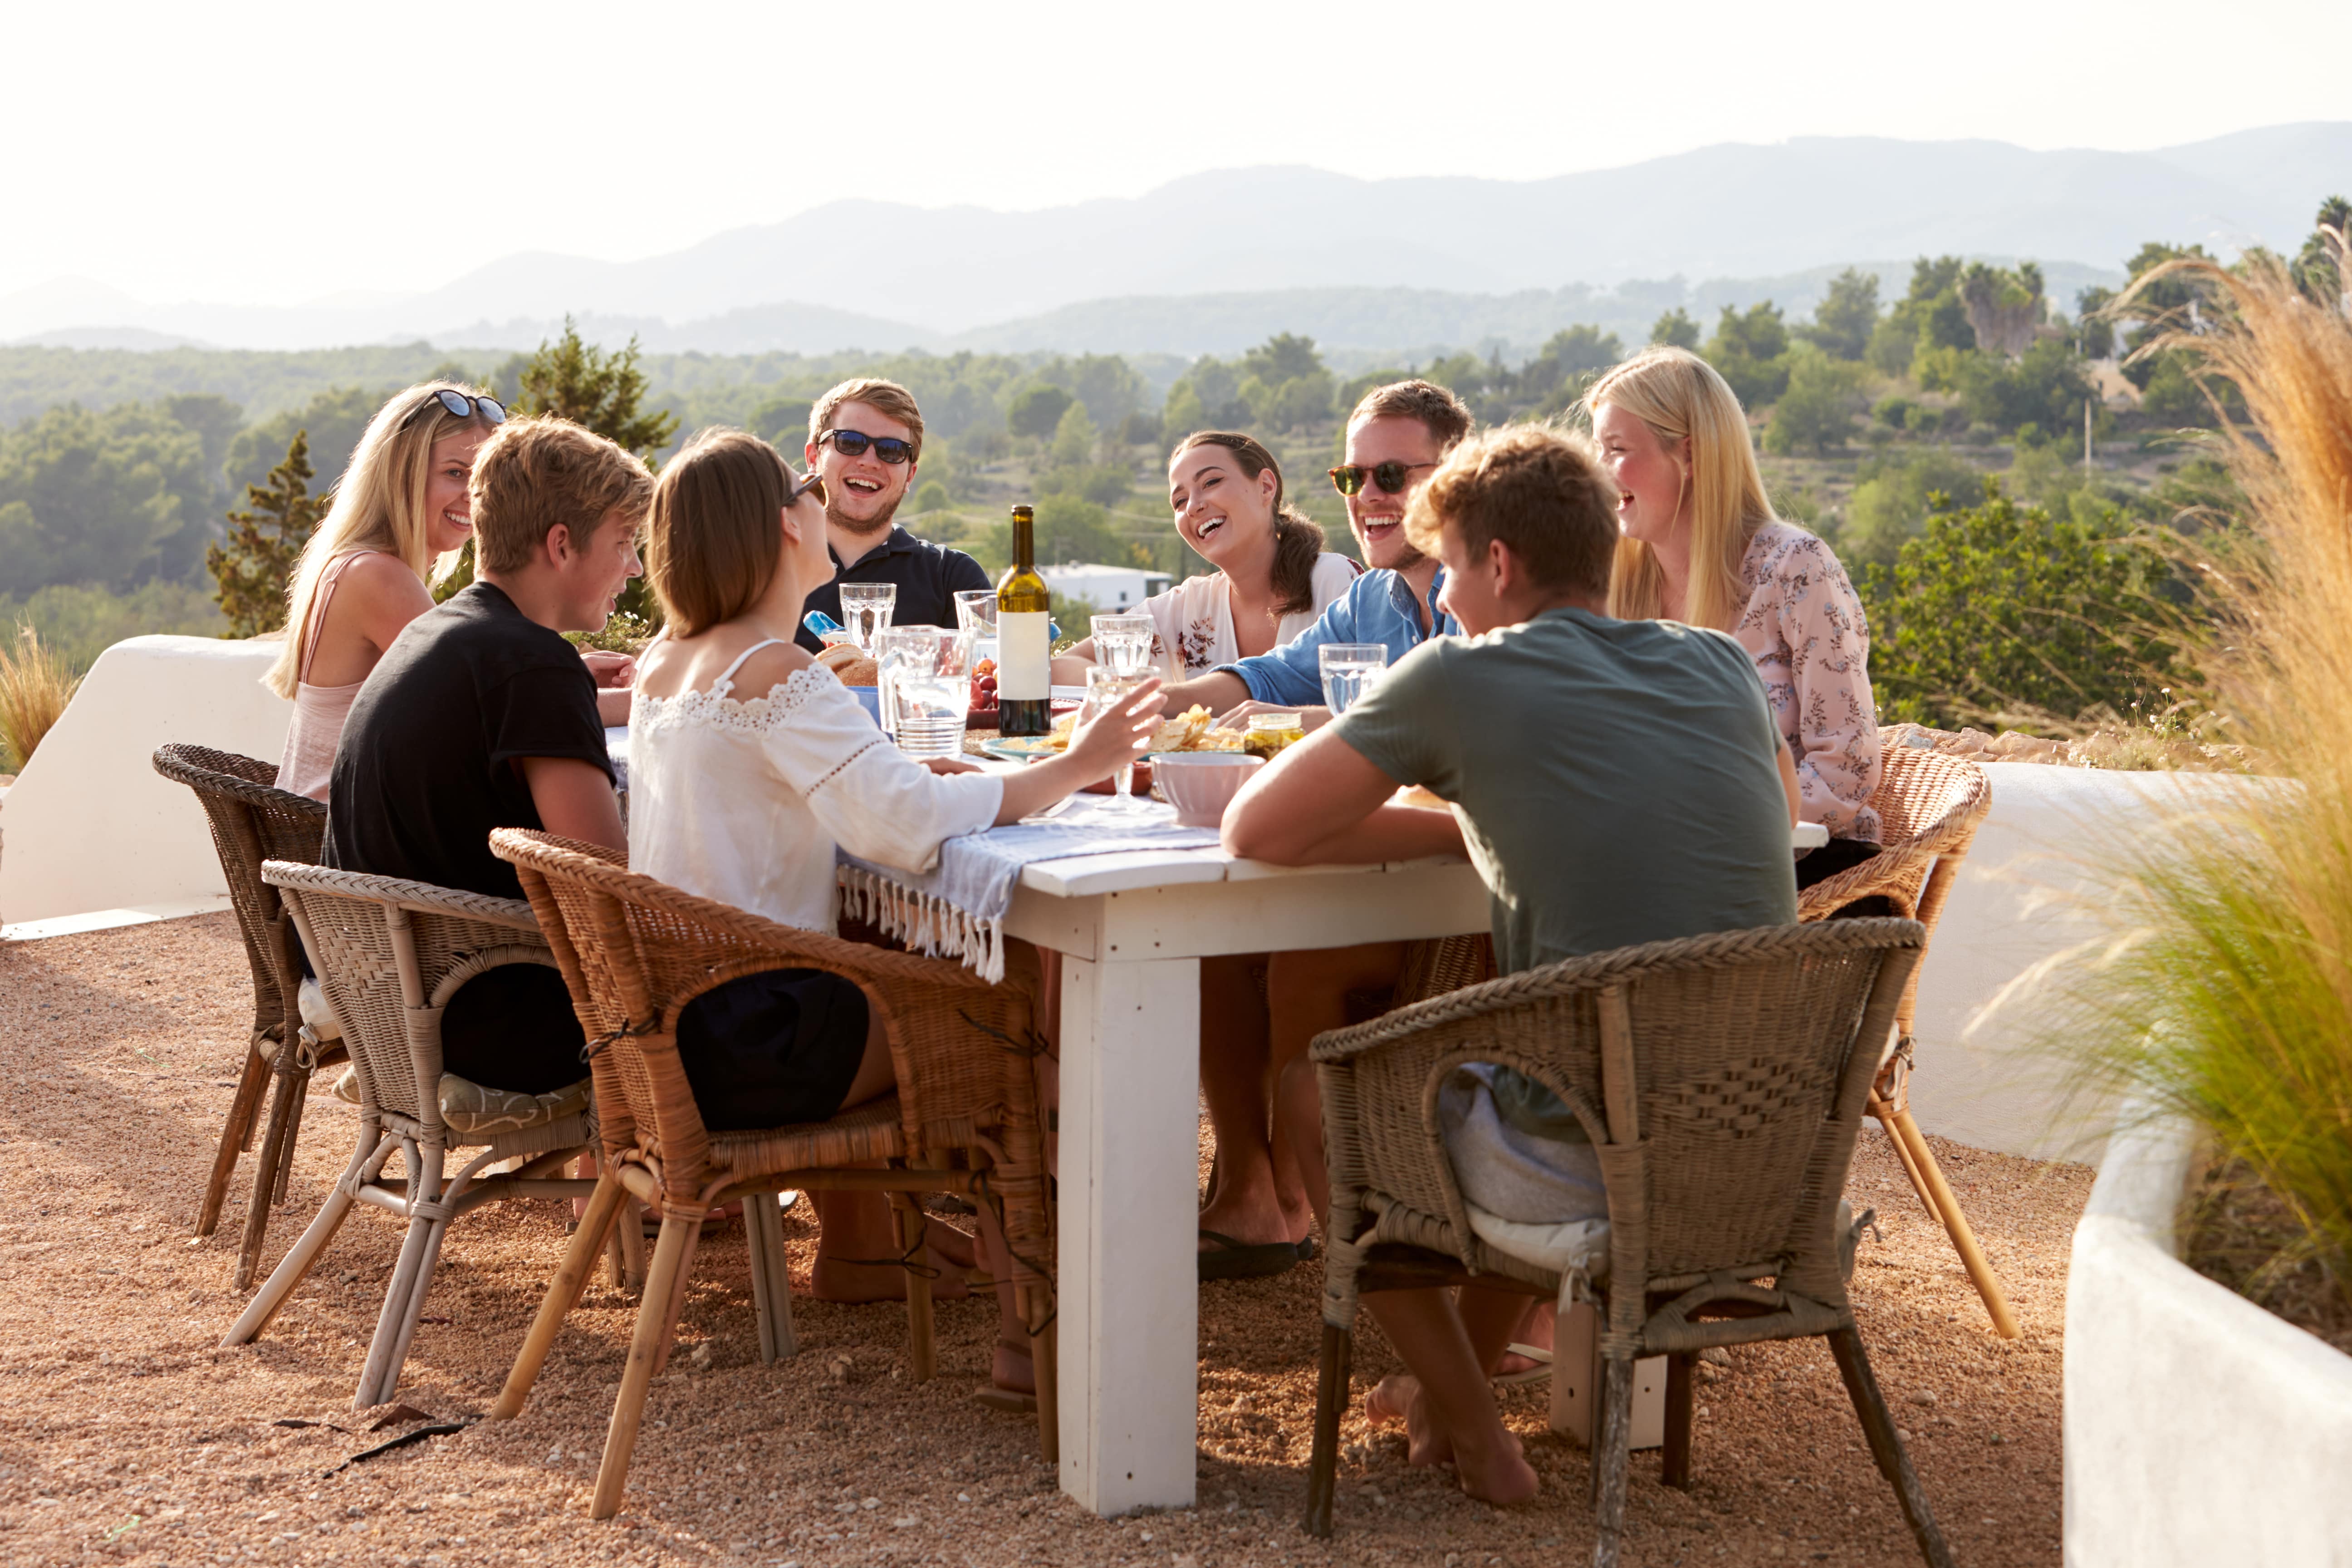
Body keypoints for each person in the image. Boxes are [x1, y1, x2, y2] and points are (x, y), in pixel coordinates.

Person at [1224, 423, 1800, 1504]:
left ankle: (1479, 1430)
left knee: (1313, 1089)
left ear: (1497, 564)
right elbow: (1772, 813)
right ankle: (1447, 1389)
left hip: (1592, 1169)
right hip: (1763, 1152)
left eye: (1447, 572)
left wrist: (1465, 822)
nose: (1439, 600)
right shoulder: (1719, 662)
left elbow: (1253, 827)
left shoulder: (1459, 673)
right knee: (1509, 1076)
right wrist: (1493, 825)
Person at [627, 426, 1162, 1397]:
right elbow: (907, 829)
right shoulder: (773, 671)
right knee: (1011, 1027)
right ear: (778, 530)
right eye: (802, 487)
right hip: (759, 1042)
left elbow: (828, 799)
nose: (818, 498)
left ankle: (902, 1267)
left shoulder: (674, 662)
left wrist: (909, 775)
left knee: (951, 982)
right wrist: (1075, 769)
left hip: (676, 1035)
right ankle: (1033, 1345)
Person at [322, 415, 652, 1095]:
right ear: (561, 545)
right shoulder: (532, 666)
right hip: (499, 1027)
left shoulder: (436, 633)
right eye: (623, 543)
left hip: (395, 1013)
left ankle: (627, 1186)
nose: (636, 566)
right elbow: (607, 892)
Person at [1586, 346, 1883, 889]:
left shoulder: (1795, 568)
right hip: (1654, 869)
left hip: (1794, 881)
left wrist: (1707, 831)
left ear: (1692, 455)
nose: (1599, 470)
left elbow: (1848, 769)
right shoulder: (1611, 582)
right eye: (1597, 449)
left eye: (1617, 449)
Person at [267, 382, 633, 800]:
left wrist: (575, 676)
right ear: (400, 476)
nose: (472, 496)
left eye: (481, 479)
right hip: (342, 849)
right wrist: (642, 705)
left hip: (337, 835)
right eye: (455, 473)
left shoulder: (366, 566)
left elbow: (485, 695)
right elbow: (516, 716)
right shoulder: (377, 576)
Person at [1156, 379, 1472, 725]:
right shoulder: (1368, 599)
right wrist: (1133, 705)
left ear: (1453, 477)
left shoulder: (1493, 587)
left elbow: (1467, 724)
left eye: (1390, 475)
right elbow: (1272, 678)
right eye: (1352, 478)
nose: (1367, 496)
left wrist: (1296, 722)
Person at [1053, 431, 1357, 679]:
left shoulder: (1334, 584)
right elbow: (1060, 669)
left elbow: (1383, 712)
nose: (1193, 506)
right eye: (1180, 501)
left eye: (1211, 482)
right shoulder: (1185, 609)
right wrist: (1149, 695)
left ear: (1266, 487)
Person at [791, 378, 991, 652]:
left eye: (892, 451)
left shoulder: (952, 579)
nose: (869, 461)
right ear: (813, 458)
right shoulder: (762, 567)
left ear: (910, 475)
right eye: (849, 442)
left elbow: (984, 681)